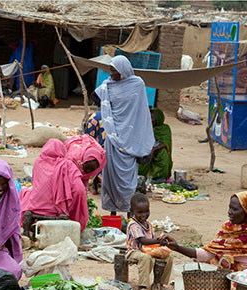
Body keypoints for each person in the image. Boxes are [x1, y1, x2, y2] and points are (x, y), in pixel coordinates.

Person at [162, 191, 247, 273]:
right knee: (209, 266)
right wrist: (177, 247)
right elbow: (207, 254)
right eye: (229, 208)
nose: (229, 212)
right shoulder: (229, 230)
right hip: (236, 273)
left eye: (234, 210)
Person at [94, 55, 154, 215]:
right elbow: (96, 97)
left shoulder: (137, 84)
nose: (111, 74)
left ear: (123, 70)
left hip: (130, 138)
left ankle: (129, 213)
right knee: (111, 176)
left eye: (114, 71)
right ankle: (113, 214)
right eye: (110, 70)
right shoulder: (107, 86)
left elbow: (141, 110)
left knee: (127, 179)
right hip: (113, 138)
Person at [20, 139, 89, 231]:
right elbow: (79, 190)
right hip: (56, 210)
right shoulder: (67, 165)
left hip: (35, 207)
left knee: (25, 191)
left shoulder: (38, 161)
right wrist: (72, 208)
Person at [127, 193, 173, 290]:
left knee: (168, 258)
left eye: (146, 211)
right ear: (132, 211)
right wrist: (157, 241)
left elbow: (152, 241)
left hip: (148, 250)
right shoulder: (133, 224)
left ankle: (159, 284)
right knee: (146, 258)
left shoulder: (149, 225)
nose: (144, 214)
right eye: (140, 212)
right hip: (134, 251)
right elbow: (142, 241)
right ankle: (142, 286)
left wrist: (160, 241)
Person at [138, 108, 173, 180]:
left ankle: (159, 176)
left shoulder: (165, 128)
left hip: (157, 150)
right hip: (146, 149)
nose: (150, 120)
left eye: (152, 118)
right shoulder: (145, 127)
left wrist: (154, 149)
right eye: (149, 117)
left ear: (158, 118)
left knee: (163, 152)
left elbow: (166, 142)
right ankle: (142, 175)